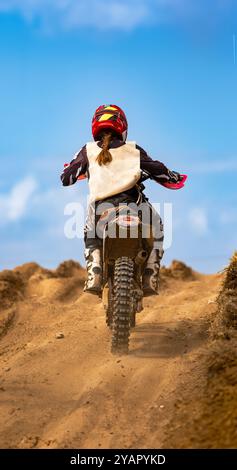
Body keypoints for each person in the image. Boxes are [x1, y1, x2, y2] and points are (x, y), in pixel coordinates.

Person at [61, 104, 182, 296]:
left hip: (101, 210)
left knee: (89, 231)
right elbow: (158, 169)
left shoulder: (87, 150)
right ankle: (150, 273)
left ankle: (94, 270)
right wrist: (174, 176)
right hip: (133, 206)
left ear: (95, 126)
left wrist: (74, 170)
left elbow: (66, 178)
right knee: (158, 226)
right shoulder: (133, 150)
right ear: (122, 126)